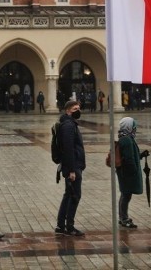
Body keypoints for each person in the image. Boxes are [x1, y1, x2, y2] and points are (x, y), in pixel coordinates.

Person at [55, 100, 86, 237]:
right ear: (68, 110)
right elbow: (68, 149)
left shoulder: (69, 123)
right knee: (74, 196)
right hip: (72, 166)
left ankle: (61, 226)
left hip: (72, 164)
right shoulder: (68, 125)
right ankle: (69, 226)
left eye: (78, 108)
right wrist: (72, 170)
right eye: (75, 109)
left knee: (69, 194)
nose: (78, 111)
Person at [115, 117, 147, 228]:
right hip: (127, 173)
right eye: (133, 126)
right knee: (126, 195)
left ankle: (122, 217)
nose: (135, 128)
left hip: (124, 172)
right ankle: (124, 218)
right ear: (128, 127)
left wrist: (141, 155)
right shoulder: (127, 140)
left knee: (125, 194)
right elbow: (129, 158)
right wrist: (134, 171)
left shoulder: (125, 137)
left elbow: (131, 155)